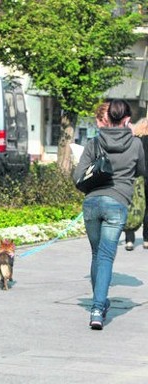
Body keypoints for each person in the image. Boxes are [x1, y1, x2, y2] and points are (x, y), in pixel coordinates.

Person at [73, 99, 145, 330]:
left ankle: (99, 303)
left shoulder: (94, 142)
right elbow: (142, 171)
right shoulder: (136, 145)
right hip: (117, 204)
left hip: (92, 203)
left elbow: (77, 176)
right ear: (126, 120)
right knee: (105, 257)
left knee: (97, 255)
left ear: (108, 118)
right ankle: (97, 307)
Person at [123, 117, 148, 250]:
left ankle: (129, 240)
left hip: (136, 178)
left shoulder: (134, 141)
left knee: (132, 206)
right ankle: (146, 239)